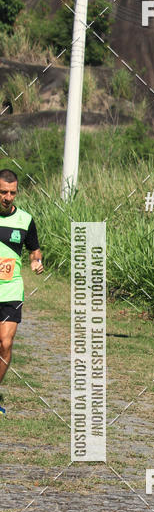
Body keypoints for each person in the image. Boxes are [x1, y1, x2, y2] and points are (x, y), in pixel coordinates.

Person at [0, 169, 44, 411]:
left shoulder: (25, 220)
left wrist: (36, 261)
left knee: (5, 343)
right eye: (3, 192)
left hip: (11, 289)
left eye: (12, 193)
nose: (8, 197)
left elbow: (34, 249)